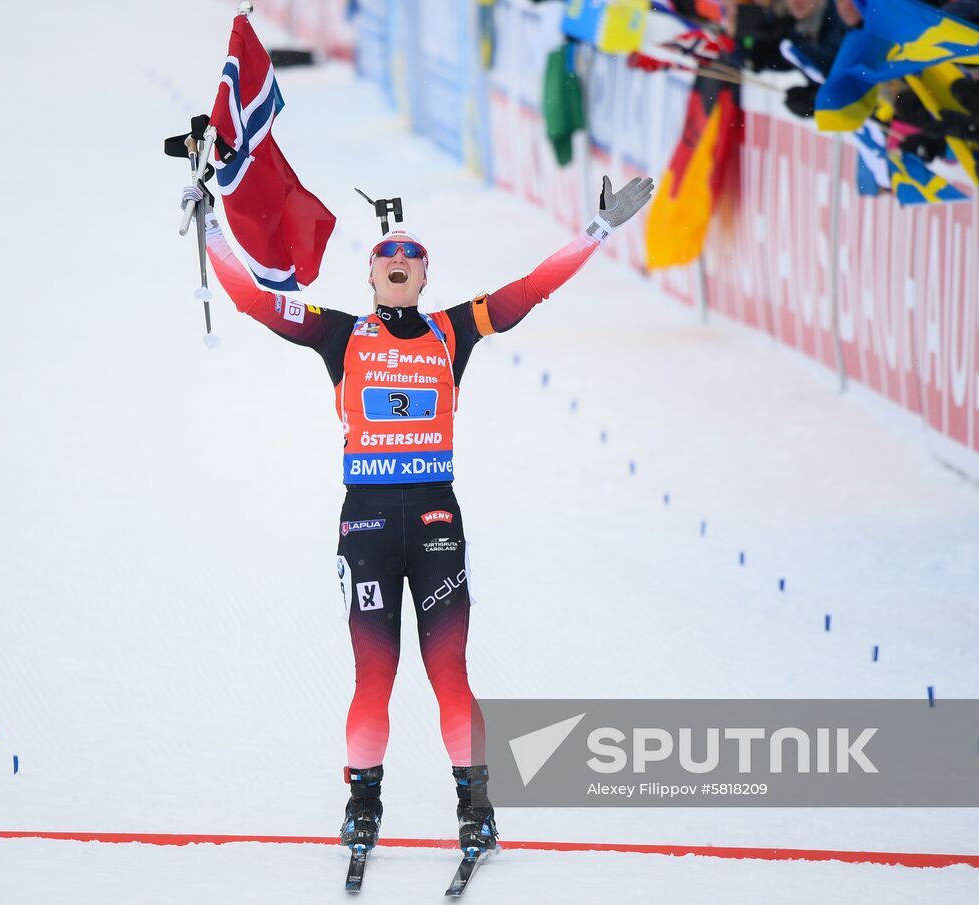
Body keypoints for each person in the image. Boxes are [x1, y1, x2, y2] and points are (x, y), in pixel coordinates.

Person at [180, 175, 654, 855]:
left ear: (425, 274)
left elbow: (531, 288)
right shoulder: (338, 334)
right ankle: (364, 800)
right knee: (374, 673)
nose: (398, 260)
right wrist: (214, 224)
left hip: (435, 523)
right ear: (371, 274)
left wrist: (599, 229)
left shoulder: (452, 330)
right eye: (386, 255)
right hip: (367, 524)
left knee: (448, 671)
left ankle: (475, 802)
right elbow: (253, 300)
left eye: (412, 254)